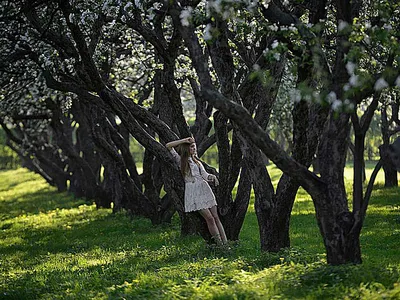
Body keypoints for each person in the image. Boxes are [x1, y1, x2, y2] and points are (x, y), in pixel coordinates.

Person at [166, 137, 228, 247]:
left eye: (194, 146)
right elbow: (168, 146)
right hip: (193, 191)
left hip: (204, 189)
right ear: (186, 149)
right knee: (209, 218)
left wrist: (212, 176)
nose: (194, 148)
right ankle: (220, 245)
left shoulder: (197, 162)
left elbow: (204, 175)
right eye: (191, 147)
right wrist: (184, 140)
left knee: (216, 217)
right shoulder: (181, 160)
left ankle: (226, 244)